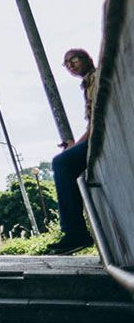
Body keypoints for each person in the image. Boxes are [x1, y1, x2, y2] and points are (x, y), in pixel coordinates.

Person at [47, 48, 97, 255]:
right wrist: (74, 146)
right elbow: (92, 125)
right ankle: (75, 232)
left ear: (88, 59)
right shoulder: (87, 84)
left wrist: (75, 148)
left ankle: (75, 233)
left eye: (73, 60)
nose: (70, 65)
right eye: (66, 63)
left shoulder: (97, 78)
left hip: (106, 137)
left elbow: (96, 125)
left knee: (61, 163)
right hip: (98, 137)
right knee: (63, 160)